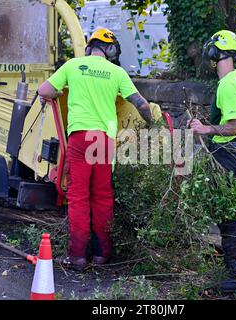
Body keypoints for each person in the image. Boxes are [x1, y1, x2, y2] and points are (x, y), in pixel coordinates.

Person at [38, 28, 154, 270]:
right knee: (102, 197)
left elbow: (44, 91)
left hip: (80, 138)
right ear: (110, 50)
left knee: (78, 196)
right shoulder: (117, 72)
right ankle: (102, 255)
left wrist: (59, 92)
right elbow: (141, 104)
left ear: (90, 46)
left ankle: (78, 256)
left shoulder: (73, 65)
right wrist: (153, 124)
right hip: (104, 141)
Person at [188, 30, 236, 295]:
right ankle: (234, 270)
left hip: (227, 154)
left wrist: (205, 129)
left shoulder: (228, 84)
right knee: (225, 210)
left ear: (215, 52)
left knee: (226, 213)